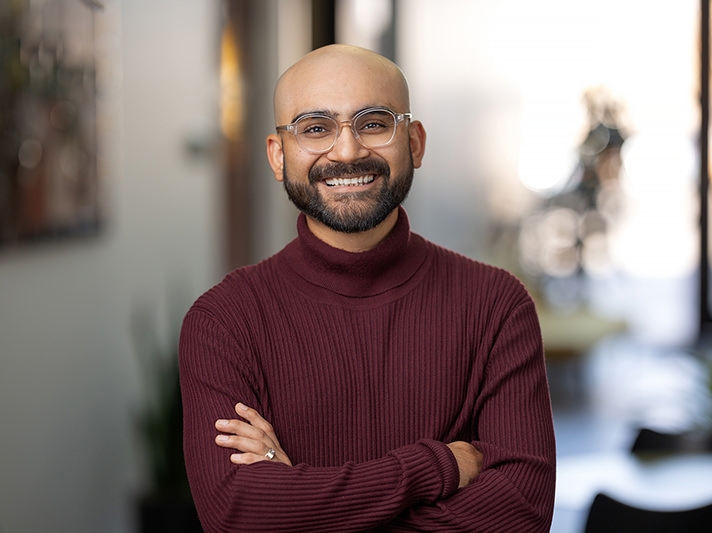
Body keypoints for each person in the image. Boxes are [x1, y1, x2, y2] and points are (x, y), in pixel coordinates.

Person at [179, 44, 556, 532]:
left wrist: (295, 494)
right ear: (278, 155)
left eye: (374, 123)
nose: (348, 150)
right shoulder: (223, 322)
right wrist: (434, 467)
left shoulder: (497, 306)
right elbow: (237, 515)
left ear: (415, 143)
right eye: (315, 128)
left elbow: (520, 515)